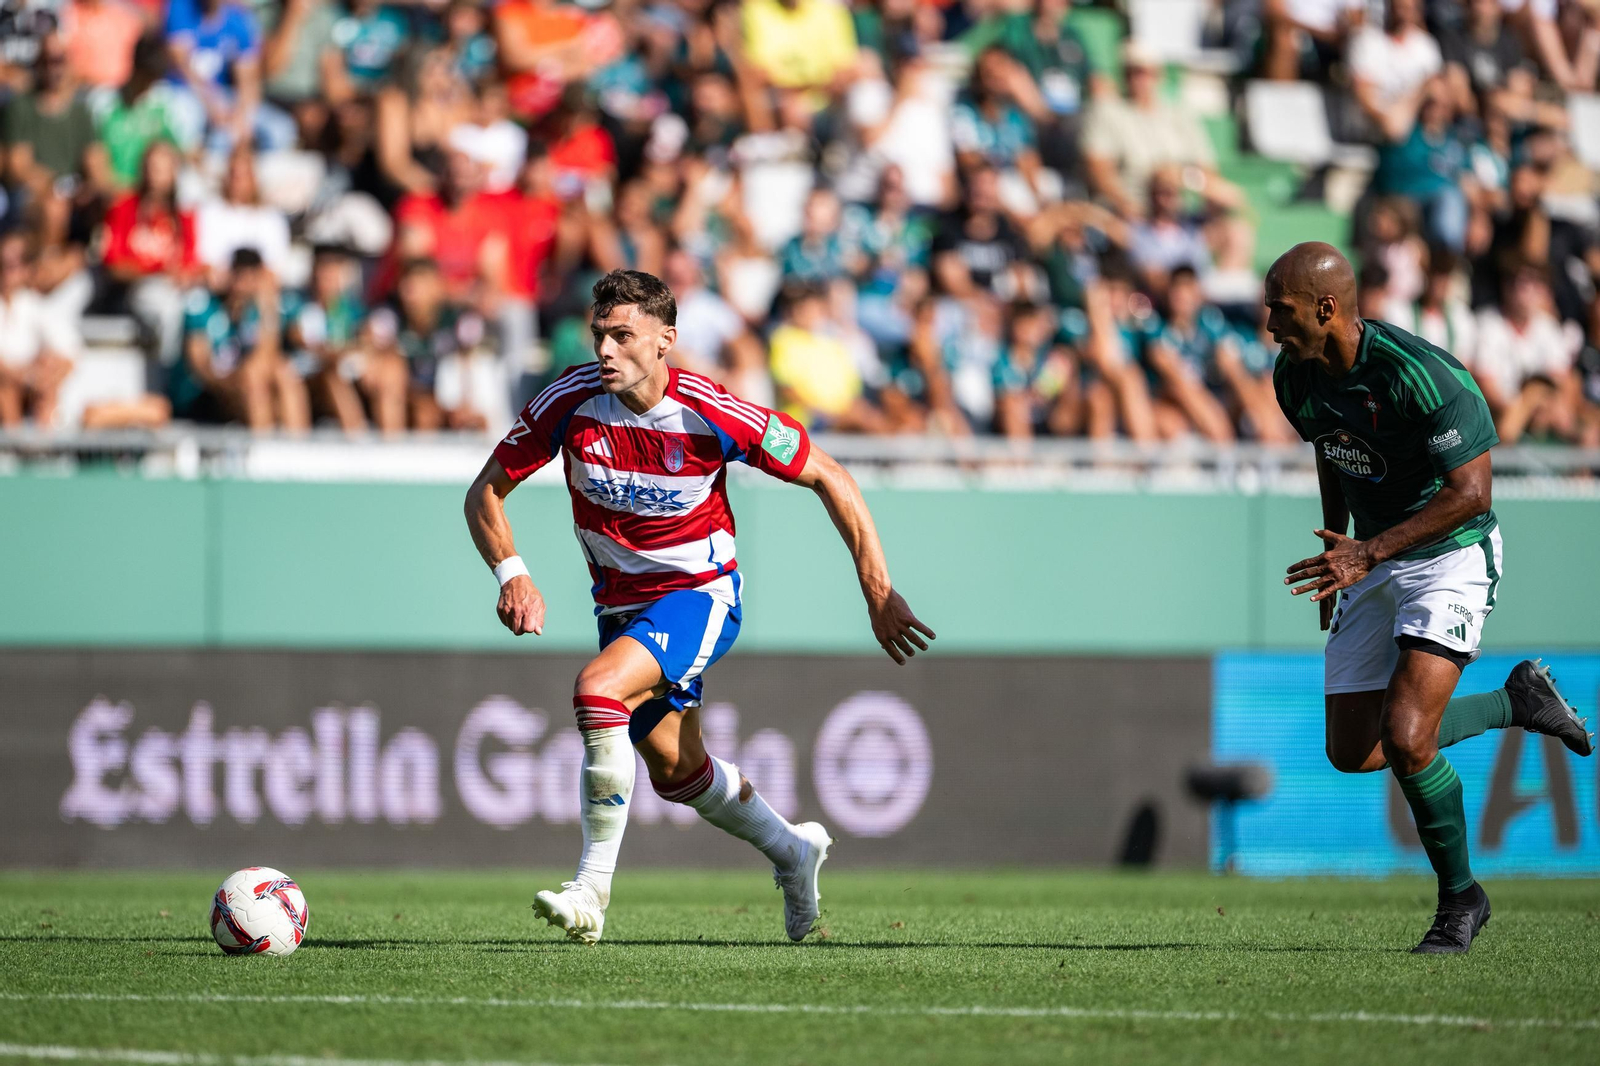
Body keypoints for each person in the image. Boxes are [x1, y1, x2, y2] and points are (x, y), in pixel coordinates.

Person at [463, 268, 934, 944]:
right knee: (679, 773)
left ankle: (591, 891)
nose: (605, 350)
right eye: (600, 335)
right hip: (621, 609)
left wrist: (878, 589)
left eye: (623, 336)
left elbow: (829, 473)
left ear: (665, 341)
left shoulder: (712, 411)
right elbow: (486, 491)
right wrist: (512, 572)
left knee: (597, 690)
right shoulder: (567, 401)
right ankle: (795, 852)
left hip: (701, 596)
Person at [1266, 241, 1592, 954]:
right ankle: (1517, 701)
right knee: (1353, 753)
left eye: (1280, 308)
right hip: (1370, 558)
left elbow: (1471, 494)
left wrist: (1369, 551)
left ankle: (1460, 903)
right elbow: (1331, 446)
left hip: (1450, 555)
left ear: (1326, 309)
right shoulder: (1293, 378)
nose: (1267, 322)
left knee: (1410, 737)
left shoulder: (1424, 375)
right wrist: (1339, 547)